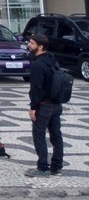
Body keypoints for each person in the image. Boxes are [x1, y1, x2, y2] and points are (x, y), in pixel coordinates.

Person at [26, 33, 63, 177]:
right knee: (56, 135)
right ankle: (56, 167)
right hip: (56, 103)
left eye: (32, 43)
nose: (29, 45)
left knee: (39, 135)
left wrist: (33, 107)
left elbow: (36, 88)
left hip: (43, 105)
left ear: (40, 46)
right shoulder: (52, 58)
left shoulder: (38, 65)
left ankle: (42, 167)